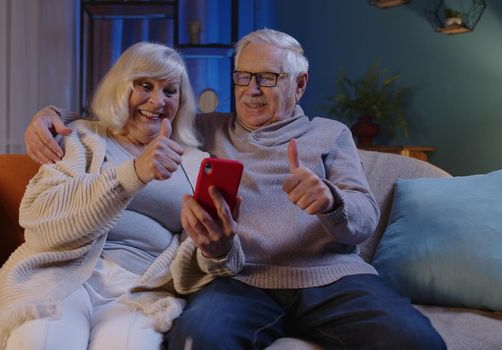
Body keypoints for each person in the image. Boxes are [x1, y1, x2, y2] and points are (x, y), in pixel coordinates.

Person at [24, 29, 446, 350]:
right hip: (240, 278)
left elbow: (364, 218)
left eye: (266, 77)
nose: (251, 90)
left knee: (418, 341)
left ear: (299, 85)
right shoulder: (203, 130)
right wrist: (52, 117)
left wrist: (331, 201)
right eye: (243, 77)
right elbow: (131, 117)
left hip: (332, 280)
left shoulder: (330, 134)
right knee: (197, 339)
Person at [0, 42, 208, 350]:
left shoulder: (195, 164)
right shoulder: (81, 138)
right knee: (41, 342)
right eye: (145, 85)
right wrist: (134, 172)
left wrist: (218, 247)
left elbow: (199, 251)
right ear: (122, 88)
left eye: (170, 91)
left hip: (138, 290)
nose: (157, 100)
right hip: (62, 276)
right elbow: (38, 218)